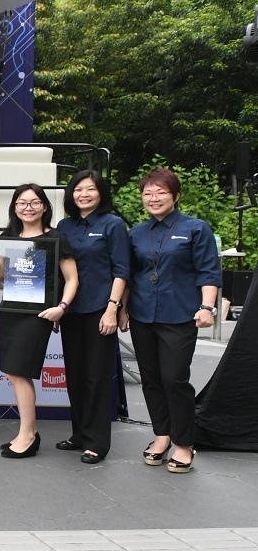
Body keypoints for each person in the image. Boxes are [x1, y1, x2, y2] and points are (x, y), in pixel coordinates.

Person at [127, 167, 221, 474]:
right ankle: (161, 435)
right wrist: (122, 310)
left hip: (180, 315)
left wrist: (208, 307)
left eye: (161, 192)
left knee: (174, 378)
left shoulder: (196, 229)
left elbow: (209, 271)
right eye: (147, 193)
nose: (153, 198)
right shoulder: (136, 233)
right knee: (151, 379)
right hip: (142, 315)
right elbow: (128, 275)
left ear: (176, 196)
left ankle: (184, 442)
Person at [0, 184, 78, 459]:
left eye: (35, 202)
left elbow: (72, 279)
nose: (28, 208)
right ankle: (28, 431)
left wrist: (62, 306)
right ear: (15, 208)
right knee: (13, 371)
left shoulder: (57, 238)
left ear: (45, 206)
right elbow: (0, 278)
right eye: (22, 203)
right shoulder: (8, 237)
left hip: (39, 314)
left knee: (20, 370)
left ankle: (28, 434)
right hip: (11, 310)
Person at [55, 170, 130, 464]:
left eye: (90, 189)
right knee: (75, 375)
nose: (84, 194)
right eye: (78, 190)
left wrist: (114, 308)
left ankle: (98, 442)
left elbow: (122, 270)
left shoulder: (113, 225)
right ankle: (80, 434)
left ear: (101, 193)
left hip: (101, 310)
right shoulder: (64, 225)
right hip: (71, 310)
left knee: (97, 377)